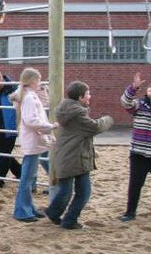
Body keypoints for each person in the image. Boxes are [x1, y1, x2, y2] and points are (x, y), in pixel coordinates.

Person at [45, 81, 113, 229]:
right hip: (74, 157)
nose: (90, 96)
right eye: (88, 94)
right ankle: (68, 221)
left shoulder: (67, 109)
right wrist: (107, 119)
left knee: (68, 190)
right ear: (80, 97)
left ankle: (54, 213)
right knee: (82, 192)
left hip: (70, 156)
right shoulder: (78, 113)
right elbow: (95, 127)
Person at [12, 68, 58, 222]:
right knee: (27, 177)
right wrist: (50, 127)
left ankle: (28, 207)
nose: (39, 82)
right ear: (32, 81)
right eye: (38, 80)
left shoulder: (27, 95)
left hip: (33, 140)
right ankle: (22, 210)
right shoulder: (29, 98)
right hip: (33, 140)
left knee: (28, 176)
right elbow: (31, 120)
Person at [119, 73, 151, 222]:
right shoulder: (139, 105)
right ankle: (130, 212)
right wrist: (134, 88)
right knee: (135, 185)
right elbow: (125, 102)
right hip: (138, 154)